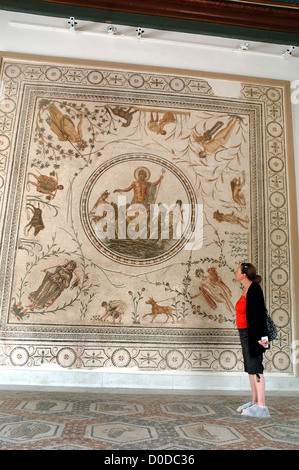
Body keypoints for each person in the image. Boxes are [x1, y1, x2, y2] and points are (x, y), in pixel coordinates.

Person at [234, 262, 270, 417]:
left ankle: (262, 406)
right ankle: (255, 401)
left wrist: (263, 338)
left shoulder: (255, 288)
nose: (235, 272)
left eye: (237, 271)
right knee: (250, 366)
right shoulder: (246, 288)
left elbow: (259, 314)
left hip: (253, 333)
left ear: (244, 274)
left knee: (256, 366)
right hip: (244, 332)